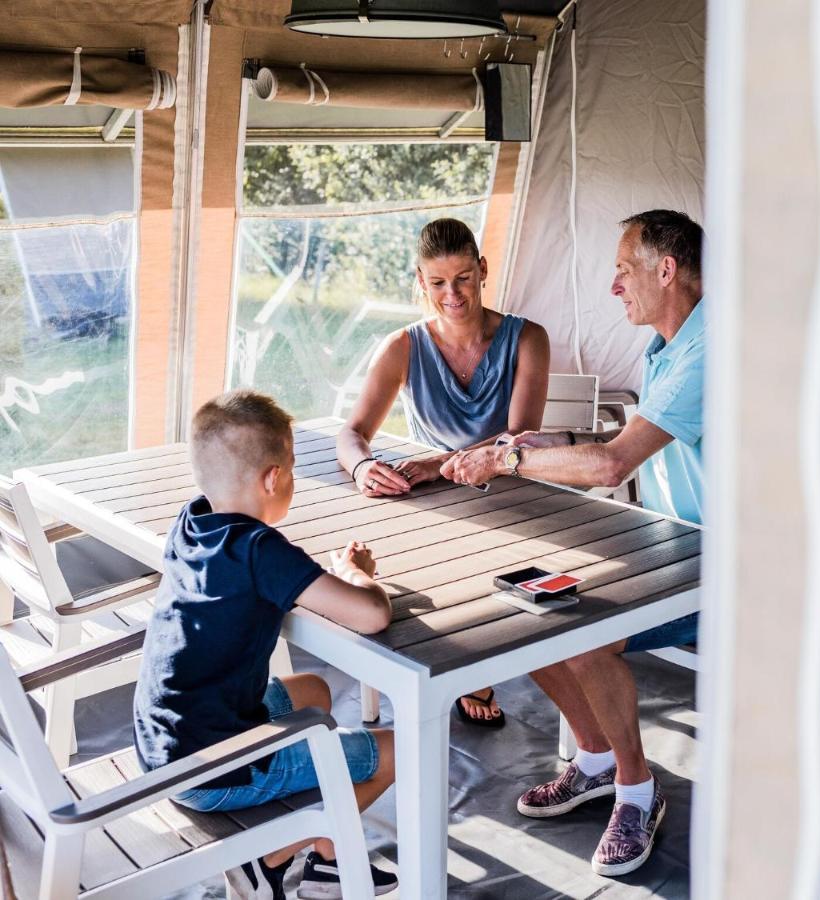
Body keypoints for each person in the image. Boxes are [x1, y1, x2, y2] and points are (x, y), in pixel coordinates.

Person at [441, 209, 705, 877]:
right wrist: (543, 443)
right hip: (671, 544)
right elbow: (628, 439)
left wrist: (506, 462)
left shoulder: (708, 351)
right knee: (528, 605)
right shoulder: (671, 344)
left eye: (623, 271)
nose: (615, 287)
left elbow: (614, 465)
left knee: (580, 629)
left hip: (726, 564)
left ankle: (637, 791)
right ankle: (590, 762)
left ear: (665, 271)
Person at [133, 390, 398, 900]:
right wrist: (354, 573)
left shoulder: (191, 522)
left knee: (315, 692)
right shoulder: (261, 551)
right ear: (273, 478)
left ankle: (329, 863)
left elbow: (240, 596)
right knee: (396, 750)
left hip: (166, 744)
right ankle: (269, 857)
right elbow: (371, 615)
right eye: (294, 470)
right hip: (216, 770)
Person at [336, 217, 550, 727]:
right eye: (437, 282)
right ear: (420, 281)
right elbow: (351, 434)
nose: (451, 293)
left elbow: (519, 437)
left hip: (510, 491)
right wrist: (363, 466)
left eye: (462, 278)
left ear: (482, 269)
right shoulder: (401, 347)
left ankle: (467, 660)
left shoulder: (528, 339)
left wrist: (436, 461)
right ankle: (444, 667)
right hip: (431, 505)